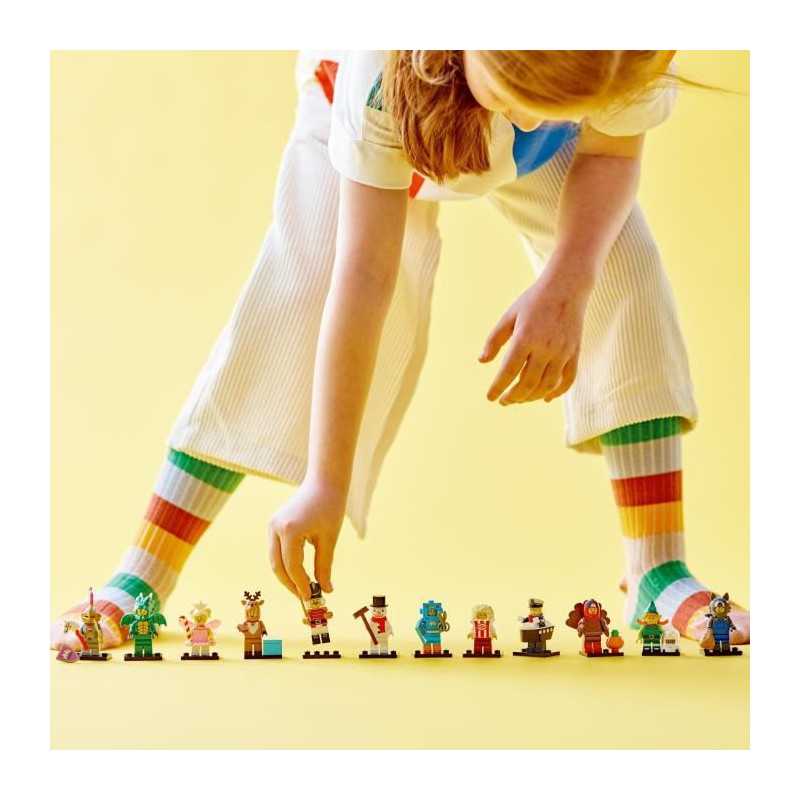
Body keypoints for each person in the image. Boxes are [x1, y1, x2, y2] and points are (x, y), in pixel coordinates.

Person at [52, 50, 749, 651]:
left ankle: (657, 567)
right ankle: (145, 570)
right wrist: (325, 483)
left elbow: (610, 154)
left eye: (556, 109)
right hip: (386, 114)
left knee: (623, 267)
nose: (528, 119)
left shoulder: (619, 54)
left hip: (531, 108)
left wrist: (568, 282)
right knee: (302, 288)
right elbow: (364, 277)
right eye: (519, 99)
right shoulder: (377, 75)